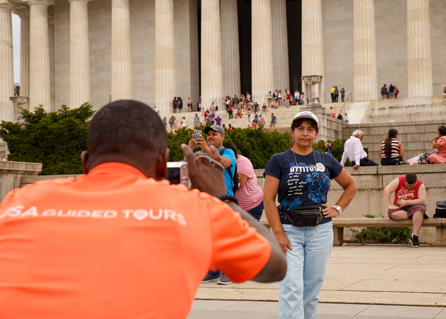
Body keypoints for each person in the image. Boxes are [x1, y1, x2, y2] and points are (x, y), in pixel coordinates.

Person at [0, 100, 287, 318]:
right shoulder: (192, 209)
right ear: (163, 165)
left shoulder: (20, 201)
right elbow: (274, 265)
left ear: (86, 162)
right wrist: (220, 198)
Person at [263, 111, 357, 318]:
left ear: (316, 134)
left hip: (320, 231)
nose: (305, 133)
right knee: (291, 288)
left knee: (311, 290)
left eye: (310, 129)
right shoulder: (279, 160)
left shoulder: (326, 159)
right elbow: (268, 199)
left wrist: (337, 208)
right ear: (292, 132)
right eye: (300, 129)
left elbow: (351, 185)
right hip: (288, 231)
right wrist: (278, 233)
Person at [187, 124, 237, 285]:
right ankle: (213, 270)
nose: (210, 137)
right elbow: (186, 169)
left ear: (223, 137)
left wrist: (207, 150)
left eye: (214, 134)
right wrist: (189, 151)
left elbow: (223, 162)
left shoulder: (228, 152)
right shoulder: (200, 153)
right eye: (208, 134)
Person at [384, 173, 427, 248]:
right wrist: (389, 205)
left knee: (418, 211)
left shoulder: (420, 184)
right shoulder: (399, 180)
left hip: (414, 205)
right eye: (407, 186)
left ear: (415, 182)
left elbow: (422, 200)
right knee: (393, 214)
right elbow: (386, 190)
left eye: (412, 186)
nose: (409, 187)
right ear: (404, 181)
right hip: (400, 206)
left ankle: (414, 236)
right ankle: (415, 217)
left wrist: (407, 202)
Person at [224, 143, 264, 221]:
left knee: (250, 231)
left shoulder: (242, 162)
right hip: (237, 207)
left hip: (251, 205)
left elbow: (238, 184)